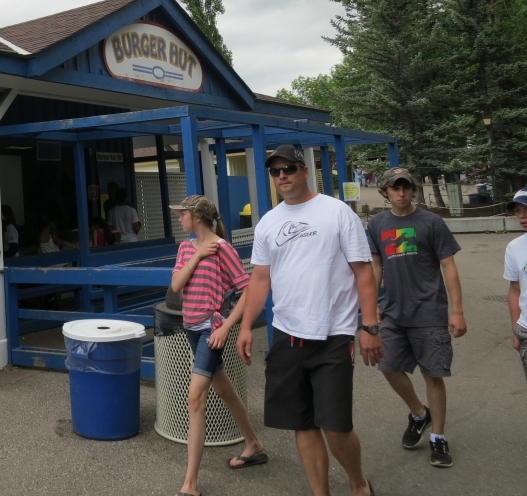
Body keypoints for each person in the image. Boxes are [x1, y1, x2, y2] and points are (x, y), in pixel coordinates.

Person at [237, 145, 381, 496]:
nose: (282, 176)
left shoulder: (336, 211)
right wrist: (245, 326)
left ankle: (358, 483)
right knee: (301, 424)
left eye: (288, 168)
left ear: (304, 171)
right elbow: (260, 279)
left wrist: (369, 326)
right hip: (287, 335)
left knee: (335, 426)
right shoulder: (268, 222)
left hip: (333, 334)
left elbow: (364, 272)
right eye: (275, 171)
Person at [367, 167, 465, 468]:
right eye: (395, 188)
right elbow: (375, 267)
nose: (401, 193)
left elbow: (448, 266)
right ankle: (420, 414)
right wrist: (372, 306)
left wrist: (457, 311)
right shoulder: (377, 224)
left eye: (406, 187)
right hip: (393, 312)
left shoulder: (431, 222)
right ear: (385, 192)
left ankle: (438, 437)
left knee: (432, 375)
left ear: (413, 190)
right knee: (388, 366)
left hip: (429, 311)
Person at [169, 195, 265, 496]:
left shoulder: (223, 249)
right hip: (191, 328)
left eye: (183, 214)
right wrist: (198, 255)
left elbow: (248, 289)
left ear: (197, 217)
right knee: (223, 389)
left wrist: (226, 326)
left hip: (210, 331)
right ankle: (253, 443)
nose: (179, 218)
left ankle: (190, 483)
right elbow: (176, 286)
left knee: (195, 398)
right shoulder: (187, 248)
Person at [503, 186, 527, 383]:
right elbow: (514, 290)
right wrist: (515, 330)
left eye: (526, 210)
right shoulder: (514, 247)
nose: (522, 216)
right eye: (518, 211)